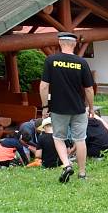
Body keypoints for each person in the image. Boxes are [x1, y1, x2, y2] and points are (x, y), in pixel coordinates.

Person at [39, 31, 95, 183]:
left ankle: (66, 164)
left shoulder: (51, 61)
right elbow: (89, 89)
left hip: (58, 108)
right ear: (74, 44)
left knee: (58, 138)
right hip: (78, 108)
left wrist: (45, 107)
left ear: (59, 43)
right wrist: (91, 107)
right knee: (80, 139)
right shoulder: (82, 63)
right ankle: (82, 174)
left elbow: (44, 86)